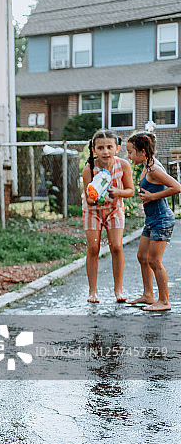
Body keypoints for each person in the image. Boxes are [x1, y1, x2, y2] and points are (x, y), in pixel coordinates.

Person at [125, 130, 180, 311]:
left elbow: (177, 187)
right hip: (151, 220)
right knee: (142, 256)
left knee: (155, 261)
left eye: (131, 152)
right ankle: (148, 295)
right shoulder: (147, 166)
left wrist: (153, 197)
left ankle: (164, 301)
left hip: (162, 220)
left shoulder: (155, 169)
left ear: (143, 152)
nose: (129, 156)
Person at [81, 129, 134, 303]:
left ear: (117, 148)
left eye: (109, 147)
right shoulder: (89, 169)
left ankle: (118, 290)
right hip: (93, 212)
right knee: (93, 249)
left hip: (114, 209)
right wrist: (96, 198)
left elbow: (130, 191)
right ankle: (92, 291)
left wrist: (117, 192)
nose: (105, 151)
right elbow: (88, 200)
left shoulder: (123, 165)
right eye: (101, 148)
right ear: (94, 149)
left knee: (117, 247)